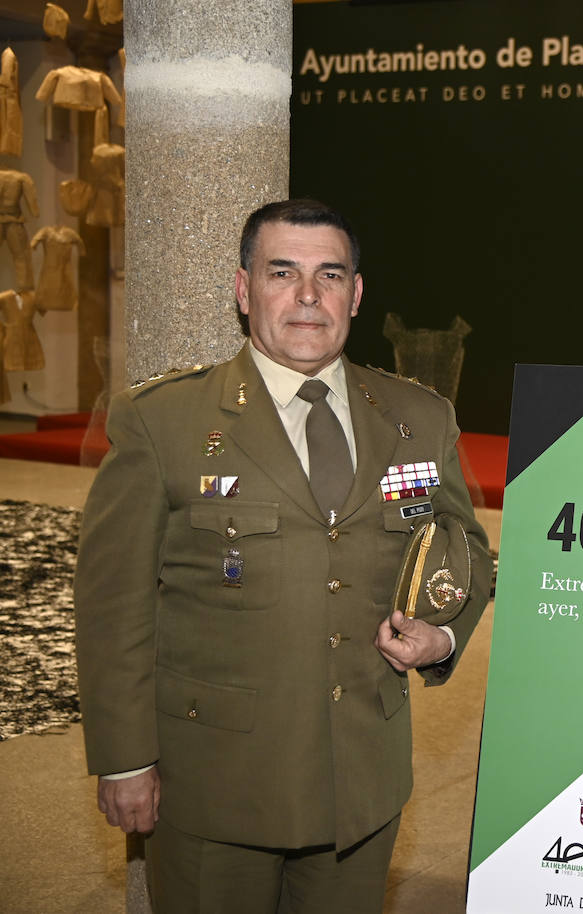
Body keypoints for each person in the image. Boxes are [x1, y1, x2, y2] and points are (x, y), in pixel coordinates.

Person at [75, 199, 493, 913]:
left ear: (355, 295)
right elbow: (113, 605)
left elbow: (468, 548)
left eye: (329, 274)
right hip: (215, 782)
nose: (307, 296)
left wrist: (442, 629)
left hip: (362, 778)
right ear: (244, 290)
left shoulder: (419, 418)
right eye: (282, 272)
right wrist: (125, 759)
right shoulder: (164, 420)